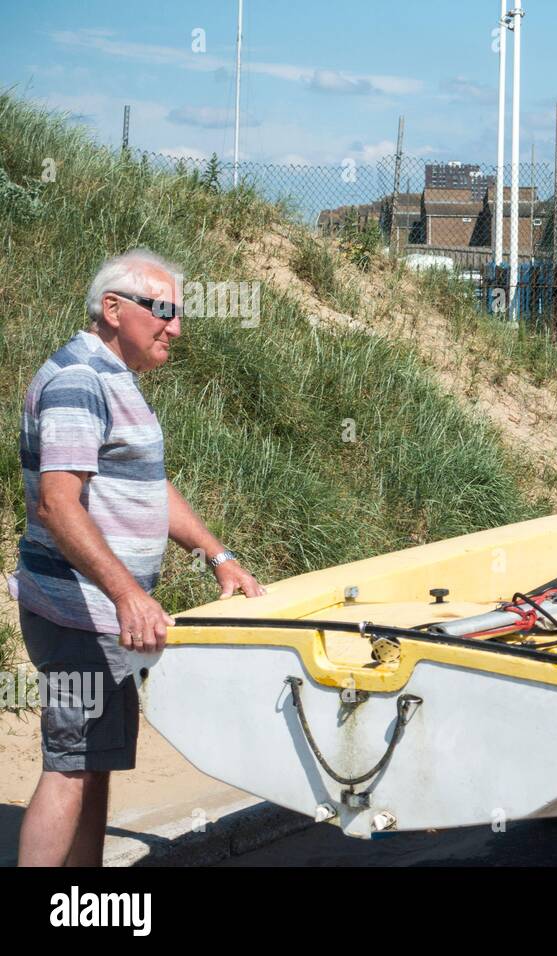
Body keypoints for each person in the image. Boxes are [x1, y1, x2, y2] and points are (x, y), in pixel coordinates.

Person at [10, 248, 266, 866]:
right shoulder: (80, 381)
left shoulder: (112, 377)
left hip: (103, 617)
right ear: (113, 308)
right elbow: (58, 504)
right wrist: (129, 593)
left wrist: (216, 554)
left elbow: (146, 484)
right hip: (78, 614)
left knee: (92, 766)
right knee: (70, 769)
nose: (176, 327)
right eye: (164, 311)